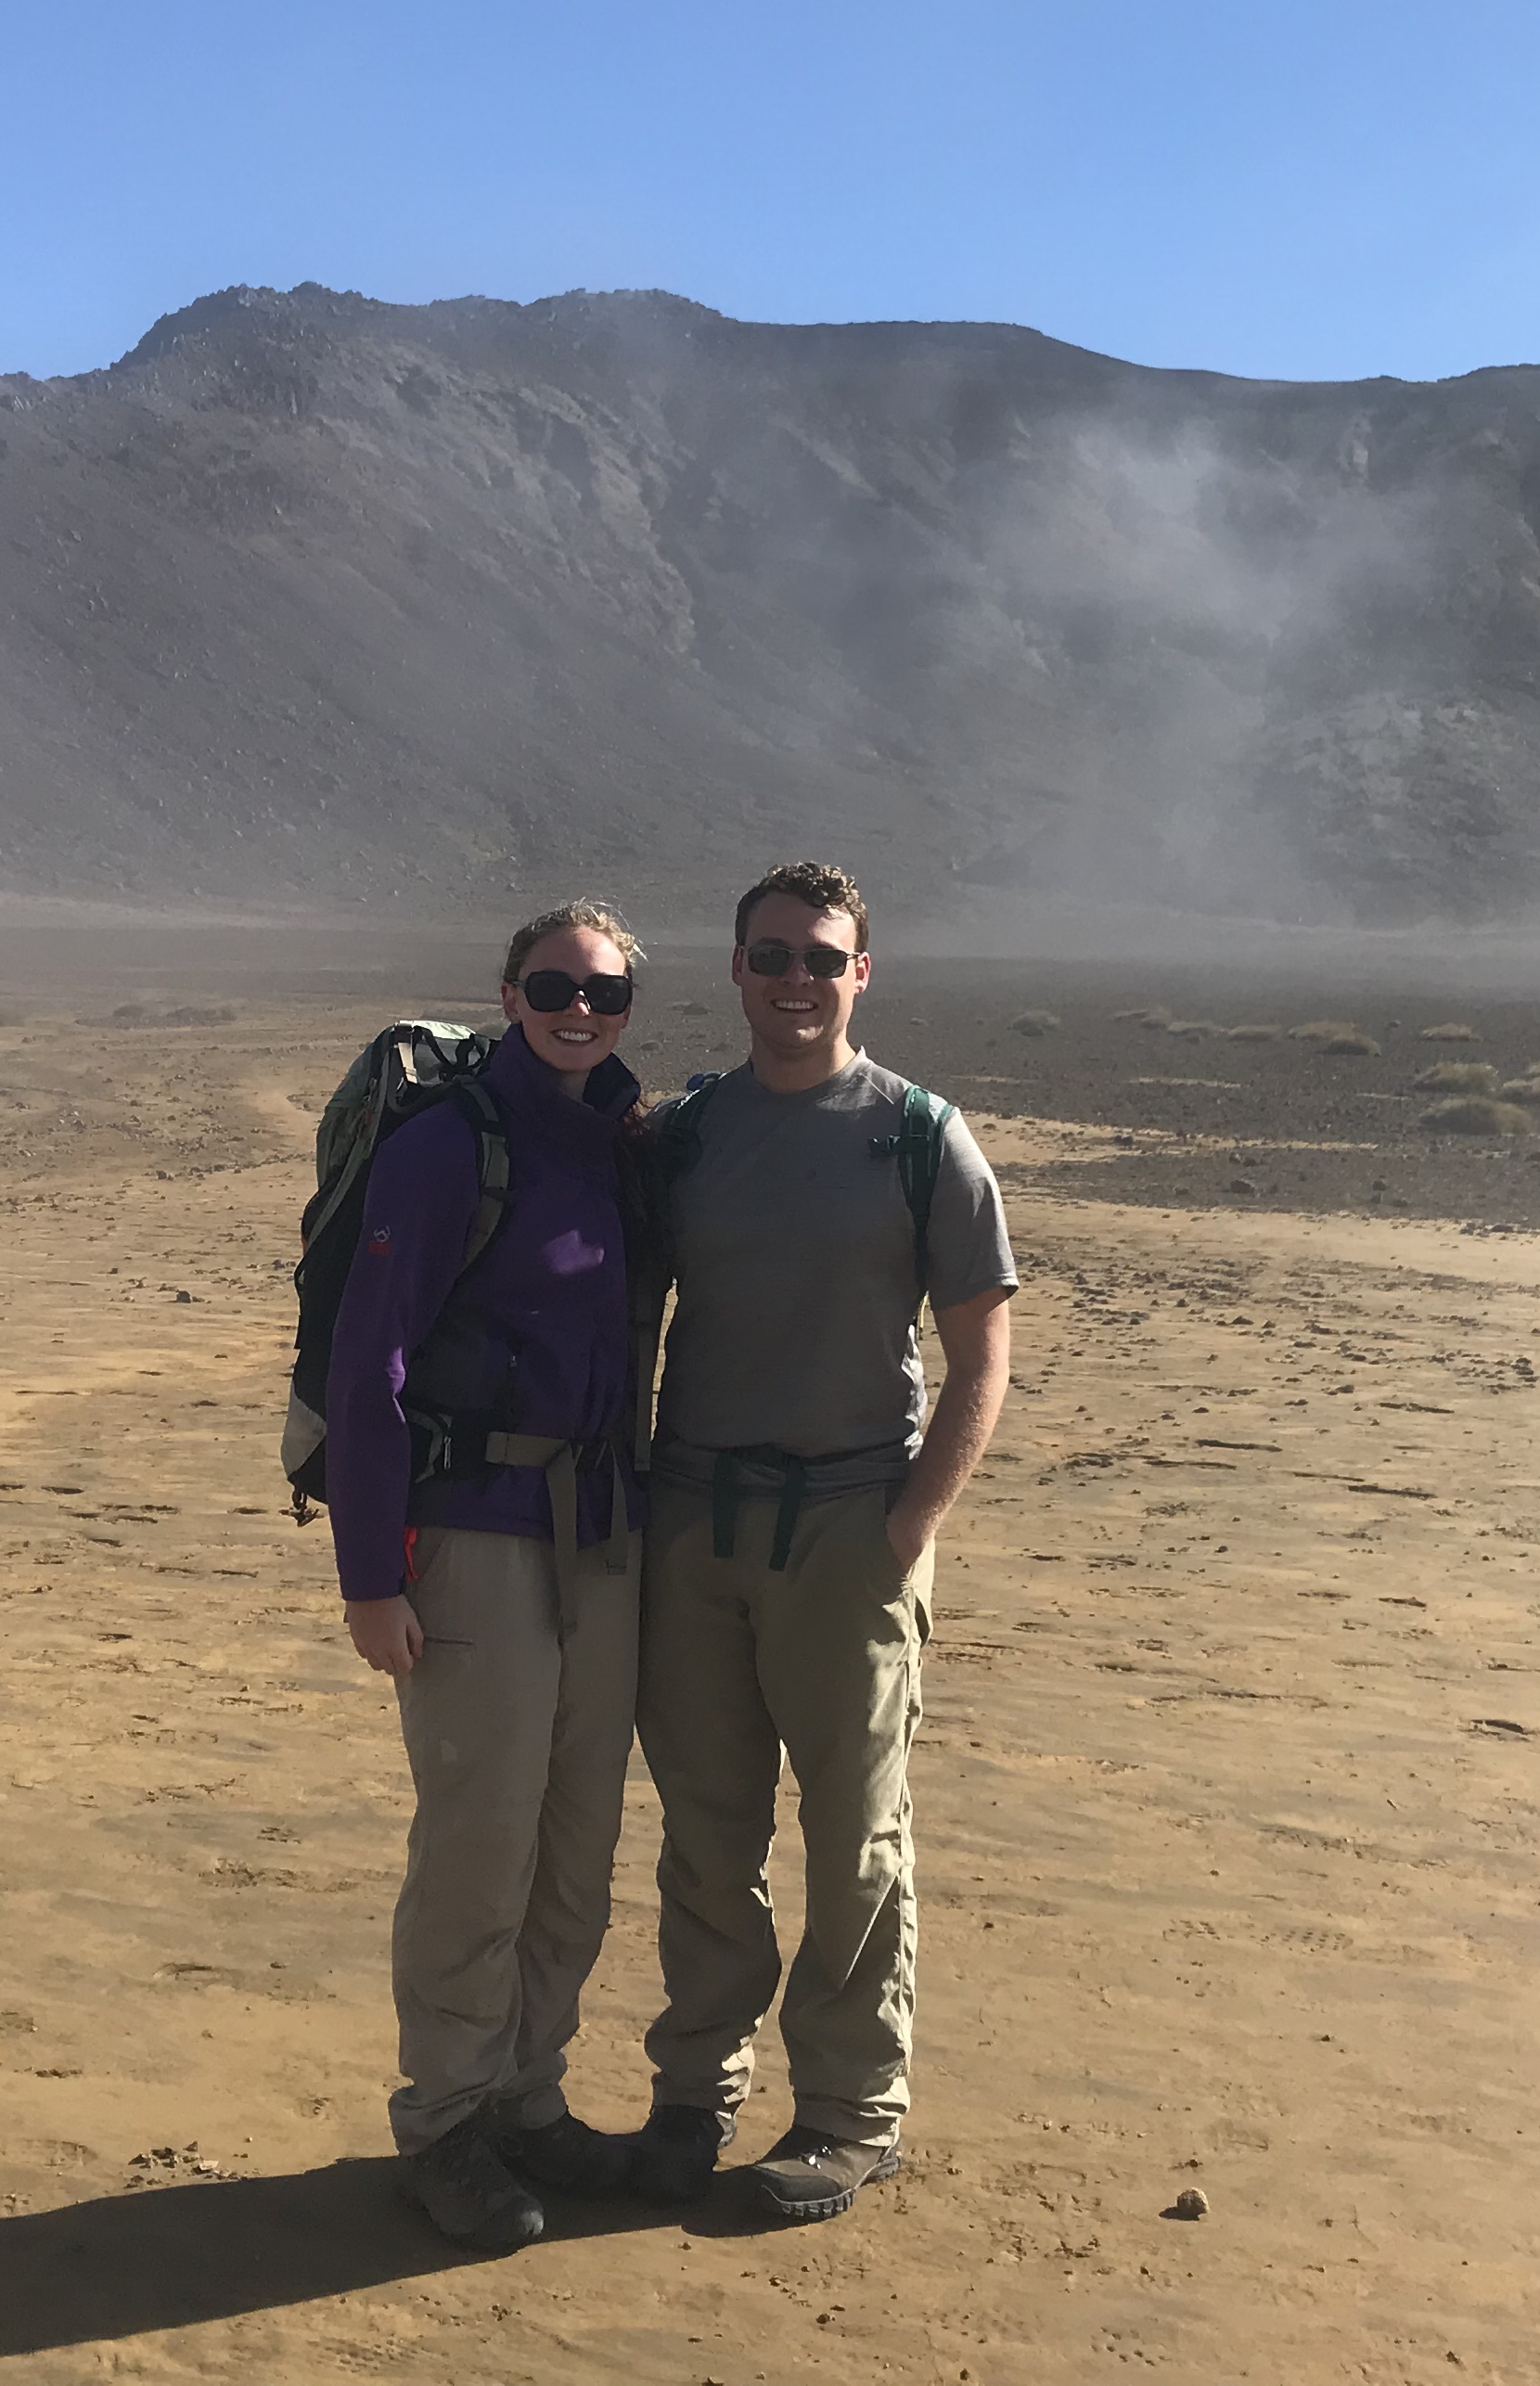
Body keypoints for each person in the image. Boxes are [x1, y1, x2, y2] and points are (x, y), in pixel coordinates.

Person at [629, 859, 1017, 2222]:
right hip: (694, 1531)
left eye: (820, 958)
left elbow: (981, 1357)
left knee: (855, 1839)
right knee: (705, 1830)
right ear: (735, 970)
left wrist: (907, 1527)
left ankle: (851, 2114)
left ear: (863, 974)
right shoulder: (683, 1134)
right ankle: (695, 2094)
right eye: (771, 955)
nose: (795, 979)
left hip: (850, 1527)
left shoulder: (917, 1135)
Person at [326, 901, 655, 2250]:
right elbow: (370, 1364)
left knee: (577, 1840)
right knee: (482, 1840)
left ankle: (530, 2097)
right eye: (552, 984)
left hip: (602, 1536)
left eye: (606, 989)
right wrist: (369, 1574)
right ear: (507, 993)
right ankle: (449, 2123)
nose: (580, 1008)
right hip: (472, 1536)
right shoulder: (449, 1145)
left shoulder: (628, 1143)